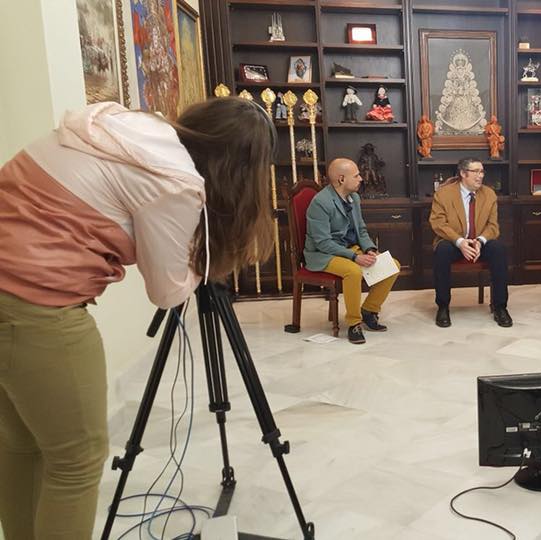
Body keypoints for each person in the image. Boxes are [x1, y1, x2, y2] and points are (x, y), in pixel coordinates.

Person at [0, 97, 276, 539]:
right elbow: (167, 292)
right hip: (37, 304)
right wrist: (204, 262)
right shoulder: (175, 179)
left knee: (21, 444)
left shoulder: (119, 126)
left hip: (12, 294)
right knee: (77, 461)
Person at [304, 158, 400, 344]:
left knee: (392, 265)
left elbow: (361, 230)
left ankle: (369, 311)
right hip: (323, 254)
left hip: (350, 248)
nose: (361, 179)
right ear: (341, 179)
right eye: (356, 176)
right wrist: (355, 257)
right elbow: (323, 243)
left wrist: (369, 249)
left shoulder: (354, 198)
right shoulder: (320, 202)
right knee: (353, 271)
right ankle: (354, 323)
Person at [429, 158, 511, 328]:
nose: (480, 176)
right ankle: (443, 306)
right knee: (442, 251)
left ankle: (500, 307)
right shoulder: (444, 194)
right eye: (476, 172)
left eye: (482, 172)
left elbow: (493, 226)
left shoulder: (489, 194)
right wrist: (460, 242)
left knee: (498, 249)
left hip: (479, 242)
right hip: (453, 241)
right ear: (463, 173)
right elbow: (438, 223)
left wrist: (480, 241)